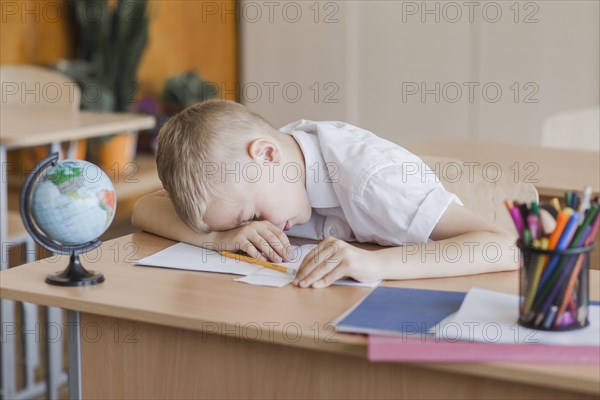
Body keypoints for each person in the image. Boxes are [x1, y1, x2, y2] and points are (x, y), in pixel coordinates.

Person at [132, 100, 518, 288]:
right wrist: (221, 237)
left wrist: (379, 266)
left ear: (267, 153)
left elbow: (505, 246)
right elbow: (145, 209)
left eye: (249, 216)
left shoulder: (373, 179)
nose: (258, 228)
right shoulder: (273, 172)